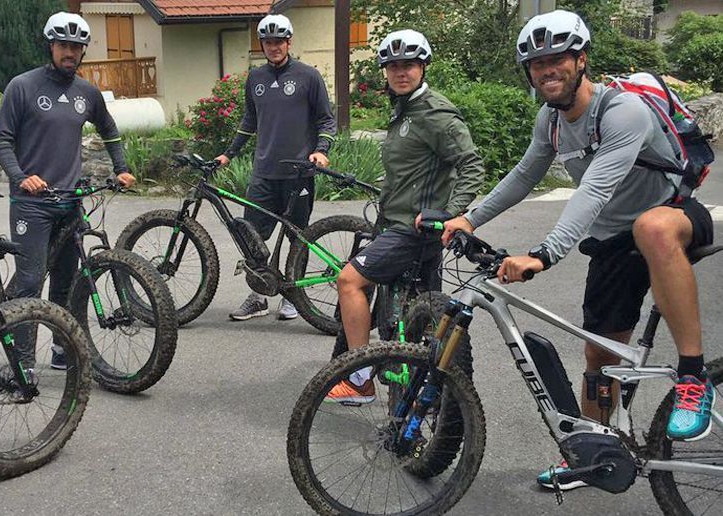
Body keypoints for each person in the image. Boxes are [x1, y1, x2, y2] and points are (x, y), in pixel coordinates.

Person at [440, 9, 715, 490]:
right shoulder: (550, 121)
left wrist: (544, 253)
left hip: (673, 215)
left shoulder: (622, 111)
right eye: (537, 63)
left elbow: (595, 190)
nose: (548, 70)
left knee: (650, 226)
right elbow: (524, 176)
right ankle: (596, 453)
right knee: (599, 361)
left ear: (581, 60)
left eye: (558, 60)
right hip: (614, 242)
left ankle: (694, 377)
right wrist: (469, 217)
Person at [325, 29, 485, 404]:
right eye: (393, 66)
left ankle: (361, 378)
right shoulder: (404, 108)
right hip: (396, 223)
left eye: (409, 65)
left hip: (412, 230)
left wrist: (448, 213)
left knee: (349, 281)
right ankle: (418, 393)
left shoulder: (434, 113)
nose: (401, 72)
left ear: (423, 67)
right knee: (417, 319)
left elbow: (471, 166)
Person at [0, 12, 134, 371]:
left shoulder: (86, 92)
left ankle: (59, 347)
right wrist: (20, 175)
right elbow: (1, 139)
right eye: (63, 45)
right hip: (32, 204)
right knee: (29, 282)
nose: (69, 52)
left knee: (67, 281)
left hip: (70, 201)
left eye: (76, 47)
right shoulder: (22, 86)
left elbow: (109, 129)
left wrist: (122, 168)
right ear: (51, 46)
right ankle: (21, 361)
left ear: (83, 51)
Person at [215, 13, 337, 322]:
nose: (274, 47)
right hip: (264, 172)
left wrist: (321, 151)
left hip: (299, 174)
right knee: (251, 235)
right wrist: (229, 154)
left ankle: (293, 296)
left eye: (279, 41)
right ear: (263, 45)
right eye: (268, 42)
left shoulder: (309, 76)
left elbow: (326, 120)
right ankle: (258, 296)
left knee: (299, 237)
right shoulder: (255, 78)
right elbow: (249, 121)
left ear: (288, 42)